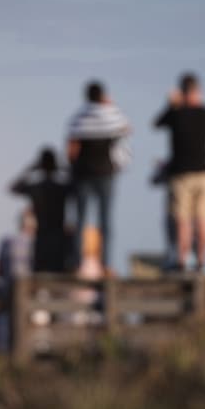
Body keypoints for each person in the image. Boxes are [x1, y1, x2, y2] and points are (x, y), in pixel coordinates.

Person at [154, 72, 205, 271]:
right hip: (203, 173)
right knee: (204, 219)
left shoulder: (175, 114)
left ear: (182, 91)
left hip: (181, 174)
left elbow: (157, 123)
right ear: (198, 91)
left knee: (183, 221)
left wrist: (173, 104)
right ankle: (201, 261)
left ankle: (182, 261)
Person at [66, 81, 130, 274]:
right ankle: (106, 263)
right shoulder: (110, 114)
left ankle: (77, 262)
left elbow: (72, 149)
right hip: (106, 173)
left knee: (81, 220)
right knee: (105, 221)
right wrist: (111, 106)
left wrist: (72, 168)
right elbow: (126, 128)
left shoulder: (79, 117)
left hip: (83, 174)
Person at [10, 148, 72, 272]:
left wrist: (31, 168)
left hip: (41, 237)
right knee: (58, 275)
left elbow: (14, 188)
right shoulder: (61, 188)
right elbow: (78, 184)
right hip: (59, 238)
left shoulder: (36, 187)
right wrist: (62, 167)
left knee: (39, 275)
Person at [0, 209, 35, 352]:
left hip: (7, 296)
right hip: (30, 298)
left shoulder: (7, 242)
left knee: (4, 334)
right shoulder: (35, 244)